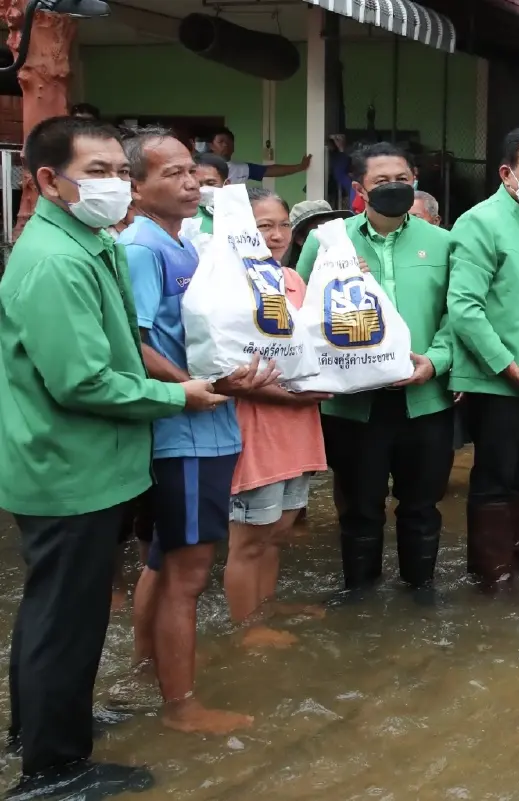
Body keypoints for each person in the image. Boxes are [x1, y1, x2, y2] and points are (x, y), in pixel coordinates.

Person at [0, 115, 225, 800]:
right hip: (69, 466)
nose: (115, 185)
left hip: (83, 463)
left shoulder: (84, 240)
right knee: (62, 617)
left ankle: (44, 726)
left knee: (59, 613)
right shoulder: (57, 260)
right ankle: (53, 771)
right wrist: (174, 394)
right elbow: (85, 379)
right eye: (97, 172)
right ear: (47, 180)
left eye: (120, 172)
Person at [122, 128, 275, 735]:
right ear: (135, 187)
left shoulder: (191, 242)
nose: (191, 182)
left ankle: (149, 665)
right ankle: (181, 707)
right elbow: (132, 342)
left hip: (211, 423)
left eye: (193, 171)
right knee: (187, 572)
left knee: (165, 564)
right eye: (173, 174)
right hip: (184, 430)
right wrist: (195, 386)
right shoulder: (142, 248)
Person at [296, 142, 454, 601]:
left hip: (424, 400)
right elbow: (305, 313)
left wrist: (436, 361)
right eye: (382, 181)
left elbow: (456, 314)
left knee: (422, 505)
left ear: (415, 180)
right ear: (358, 187)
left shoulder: (442, 243)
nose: (394, 188)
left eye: (402, 179)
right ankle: (360, 597)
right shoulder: (330, 241)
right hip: (353, 405)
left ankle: (420, 592)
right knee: (361, 507)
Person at [448, 126, 519, 591]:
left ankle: (518, 565)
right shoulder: (481, 221)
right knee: (496, 479)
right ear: (507, 173)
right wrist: (510, 368)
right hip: (499, 381)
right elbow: (464, 307)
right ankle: (491, 578)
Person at [220, 188, 331, 646]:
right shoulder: (227, 284)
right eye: (264, 226)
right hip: (257, 427)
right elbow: (226, 368)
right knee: (249, 537)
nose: (277, 235)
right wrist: (297, 396)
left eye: (283, 225)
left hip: (298, 427)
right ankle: (247, 628)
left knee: (279, 530)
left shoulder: (291, 280)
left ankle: (265, 606)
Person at [208, 126, 311, 185]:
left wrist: (300, 167)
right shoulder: (201, 167)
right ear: (211, 145)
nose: (226, 144)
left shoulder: (242, 169)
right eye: (220, 142)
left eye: (229, 141)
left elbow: (270, 170)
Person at [191, 152, 229, 235]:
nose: (204, 189)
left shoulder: (240, 212)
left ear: (226, 184)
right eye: (198, 184)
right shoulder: (186, 216)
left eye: (211, 183)